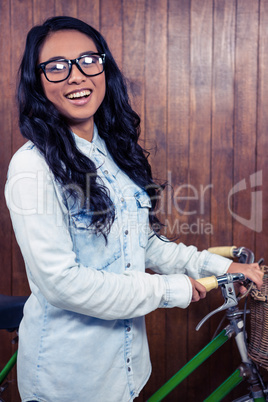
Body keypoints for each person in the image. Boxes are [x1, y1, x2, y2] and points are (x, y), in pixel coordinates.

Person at [4, 16, 263, 402]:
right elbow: (61, 283)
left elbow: (143, 244)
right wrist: (168, 289)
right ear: (37, 81)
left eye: (88, 60)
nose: (76, 76)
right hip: (71, 381)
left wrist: (223, 268)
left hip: (126, 370)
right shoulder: (32, 167)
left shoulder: (113, 152)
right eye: (56, 67)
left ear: (104, 67)